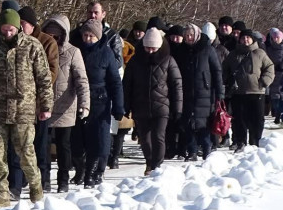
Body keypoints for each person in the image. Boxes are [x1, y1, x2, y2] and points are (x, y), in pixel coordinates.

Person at [0, 8, 53, 207]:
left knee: (26, 152)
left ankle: (36, 189)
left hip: (23, 109)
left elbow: (43, 79)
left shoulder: (32, 45)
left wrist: (46, 105)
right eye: (4, 29)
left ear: (18, 28)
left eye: (11, 29)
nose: (8, 33)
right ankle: (1, 194)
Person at [6, 5, 59, 194]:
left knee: (41, 144)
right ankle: (16, 183)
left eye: (23, 23)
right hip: (18, 104)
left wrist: (30, 84)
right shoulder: (12, 42)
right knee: (17, 144)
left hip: (38, 101)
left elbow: (51, 71)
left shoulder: (46, 42)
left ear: (32, 24)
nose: (20, 27)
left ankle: (43, 180)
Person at [122, 28, 181, 175]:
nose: (150, 51)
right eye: (147, 47)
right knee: (144, 138)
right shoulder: (135, 61)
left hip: (161, 106)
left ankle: (156, 166)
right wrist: (125, 105)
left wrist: (177, 108)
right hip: (140, 105)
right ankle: (149, 162)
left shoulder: (168, 60)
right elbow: (127, 85)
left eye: (153, 48)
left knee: (158, 136)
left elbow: (176, 85)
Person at [41, 15, 88, 192]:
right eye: (49, 35)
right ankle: (44, 179)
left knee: (63, 146)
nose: (52, 39)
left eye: (56, 36)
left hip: (65, 105)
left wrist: (84, 104)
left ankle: (63, 180)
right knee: (43, 146)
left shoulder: (73, 52)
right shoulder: (40, 49)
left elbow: (81, 79)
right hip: (43, 105)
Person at [78, 20, 124, 187]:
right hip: (80, 100)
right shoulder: (78, 51)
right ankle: (82, 171)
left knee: (101, 140)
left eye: (91, 36)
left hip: (100, 100)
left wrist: (118, 105)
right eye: (85, 35)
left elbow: (115, 81)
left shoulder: (106, 53)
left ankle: (96, 172)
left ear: (98, 37)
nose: (88, 39)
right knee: (81, 140)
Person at [175, 23, 223, 160]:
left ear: (196, 34)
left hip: (205, 92)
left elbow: (217, 71)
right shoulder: (181, 51)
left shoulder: (207, 49)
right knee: (188, 122)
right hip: (186, 91)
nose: (189, 38)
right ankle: (192, 151)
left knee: (204, 122)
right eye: (186, 35)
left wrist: (220, 93)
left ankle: (207, 148)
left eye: (191, 35)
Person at [222, 28, 274, 149]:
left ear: (252, 39)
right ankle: (241, 142)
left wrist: (264, 81)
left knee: (257, 119)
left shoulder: (260, 53)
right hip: (238, 92)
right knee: (239, 119)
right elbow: (224, 70)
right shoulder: (233, 54)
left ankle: (255, 142)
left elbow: (270, 67)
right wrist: (227, 82)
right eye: (243, 38)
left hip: (257, 91)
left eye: (248, 37)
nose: (245, 40)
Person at [264, 29, 283, 125]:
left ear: (282, 37)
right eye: (274, 37)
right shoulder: (270, 48)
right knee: (275, 97)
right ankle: (277, 114)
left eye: (278, 37)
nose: (276, 39)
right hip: (274, 74)